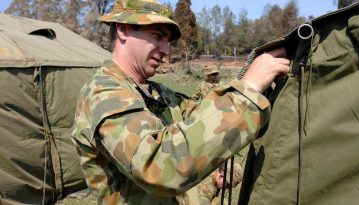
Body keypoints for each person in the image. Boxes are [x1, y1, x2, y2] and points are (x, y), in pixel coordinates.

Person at [71, 0, 290, 204]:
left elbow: (205, 115)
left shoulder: (159, 94)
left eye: (168, 42)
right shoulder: (103, 92)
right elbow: (159, 167)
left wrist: (252, 83)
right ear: (123, 29)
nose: (166, 51)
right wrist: (247, 90)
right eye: (157, 36)